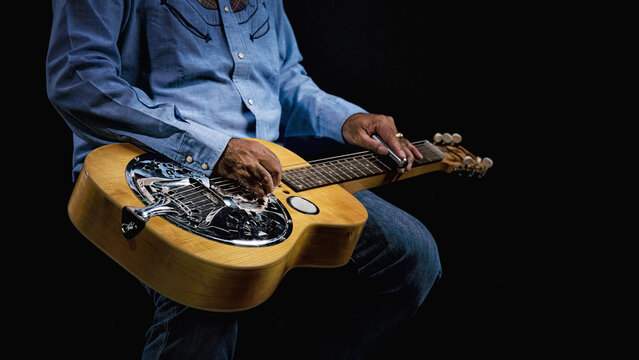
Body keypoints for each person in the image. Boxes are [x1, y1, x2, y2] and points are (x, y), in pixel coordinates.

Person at [46, 0, 442, 358]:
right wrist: (215, 150)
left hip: (272, 172)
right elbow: (80, 80)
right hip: (158, 173)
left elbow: (284, 79)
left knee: (414, 255)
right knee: (206, 291)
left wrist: (345, 119)